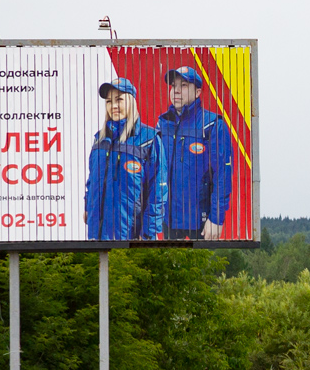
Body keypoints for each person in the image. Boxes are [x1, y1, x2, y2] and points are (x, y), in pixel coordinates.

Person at [157, 66, 234, 240]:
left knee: (202, 268)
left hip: (201, 224)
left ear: (198, 92)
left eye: (183, 85)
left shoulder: (213, 125)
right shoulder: (162, 125)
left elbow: (223, 174)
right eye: (173, 85)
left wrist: (216, 218)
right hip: (168, 222)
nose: (176, 90)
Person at [85, 78, 167, 240]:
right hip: (99, 235)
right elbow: (92, 180)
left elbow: (158, 191)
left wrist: (148, 234)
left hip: (132, 236)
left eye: (119, 100)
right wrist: (88, 207)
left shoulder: (149, 139)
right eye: (109, 101)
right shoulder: (99, 140)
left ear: (131, 101)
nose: (113, 106)